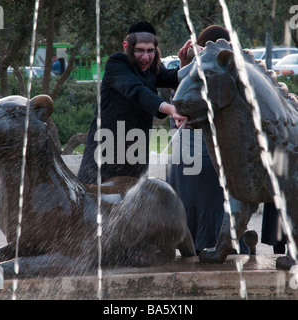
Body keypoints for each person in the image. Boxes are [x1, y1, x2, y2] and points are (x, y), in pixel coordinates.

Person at [168, 25, 248, 255]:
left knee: (191, 207)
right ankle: (226, 250)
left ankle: (192, 251)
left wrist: (185, 66)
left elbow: (178, 118)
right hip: (217, 153)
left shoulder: (193, 75)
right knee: (220, 206)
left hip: (189, 154)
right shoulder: (234, 75)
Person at [78, 21, 189, 184]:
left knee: (132, 202)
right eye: (139, 51)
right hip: (106, 149)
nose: (146, 57)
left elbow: (174, 78)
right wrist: (170, 108)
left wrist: (185, 62)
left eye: (150, 51)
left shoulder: (153, 69)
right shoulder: (116, 64)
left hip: (136, 152)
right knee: (92, 201)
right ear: (126, 46)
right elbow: (137, 91)